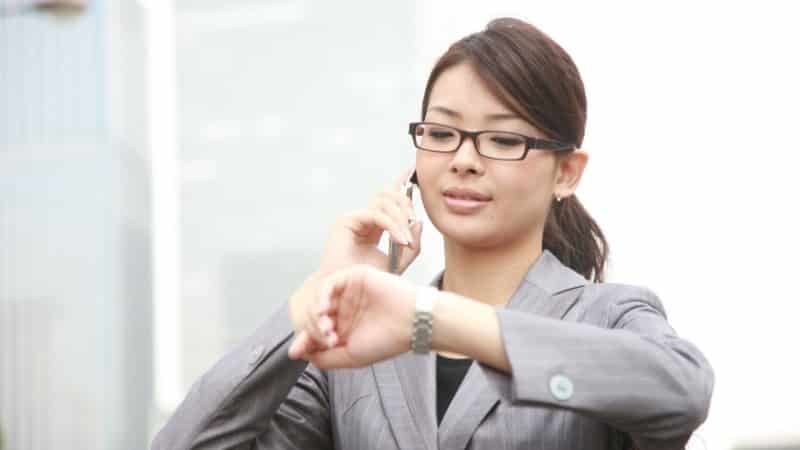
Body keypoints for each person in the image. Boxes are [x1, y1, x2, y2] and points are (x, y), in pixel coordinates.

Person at [151, 17, 714, 450]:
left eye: (501, 139)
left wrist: (432, 319)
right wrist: (320, 291)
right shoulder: (357, 355)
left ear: (565, 171)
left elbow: (680, 393)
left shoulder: (605, 316)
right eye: (442, 132)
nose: (465, 160)